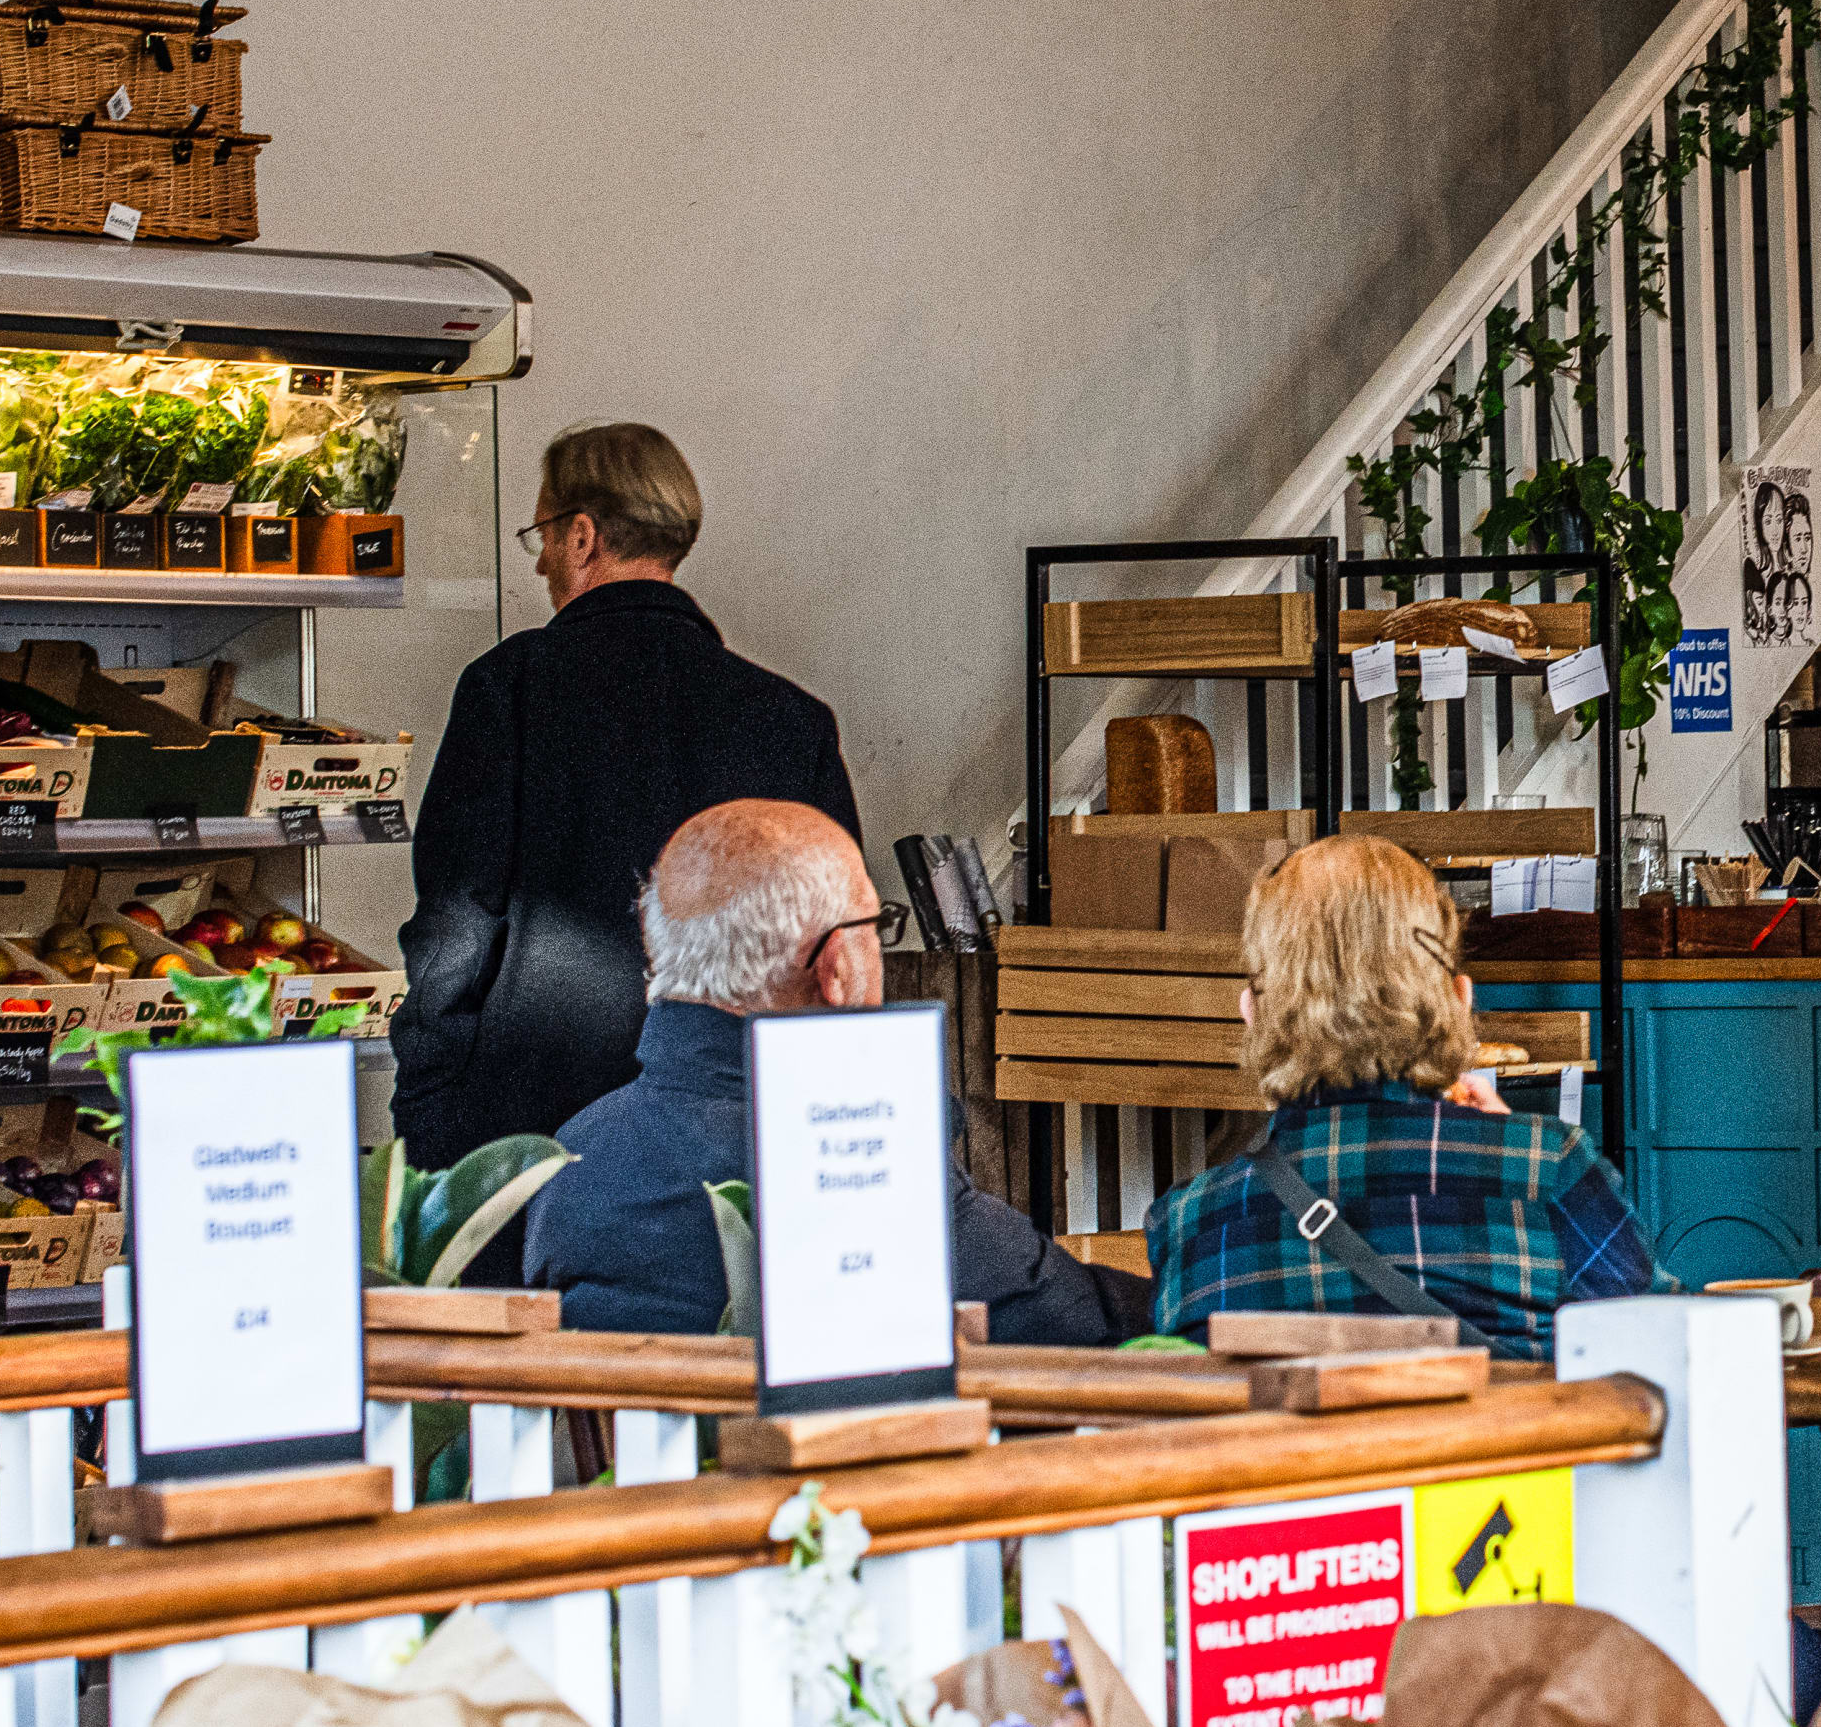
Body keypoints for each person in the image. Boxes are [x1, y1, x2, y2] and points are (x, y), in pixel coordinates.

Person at [393, 423, 860, 1165]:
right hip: (738, 1123)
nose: (542, 560)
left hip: (531, 1125)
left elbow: (456, 920)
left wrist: (428, 1101)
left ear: (582, 537)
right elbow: (834, 945)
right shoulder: (790, 718)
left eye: (543, 534)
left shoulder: (509, 689)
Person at [514, 801, 1131, 1343]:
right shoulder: (850, 1150)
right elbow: (1061, 1322)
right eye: (875, 927)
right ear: (835, 968)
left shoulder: (567, 1159)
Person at [1150, 836, 1653, 1361]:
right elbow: (1679, 1355)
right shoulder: (1551, 1170)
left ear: (1251, 1013)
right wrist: (1519, 1145)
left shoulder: (1186, 1222)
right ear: (1461, 1000)